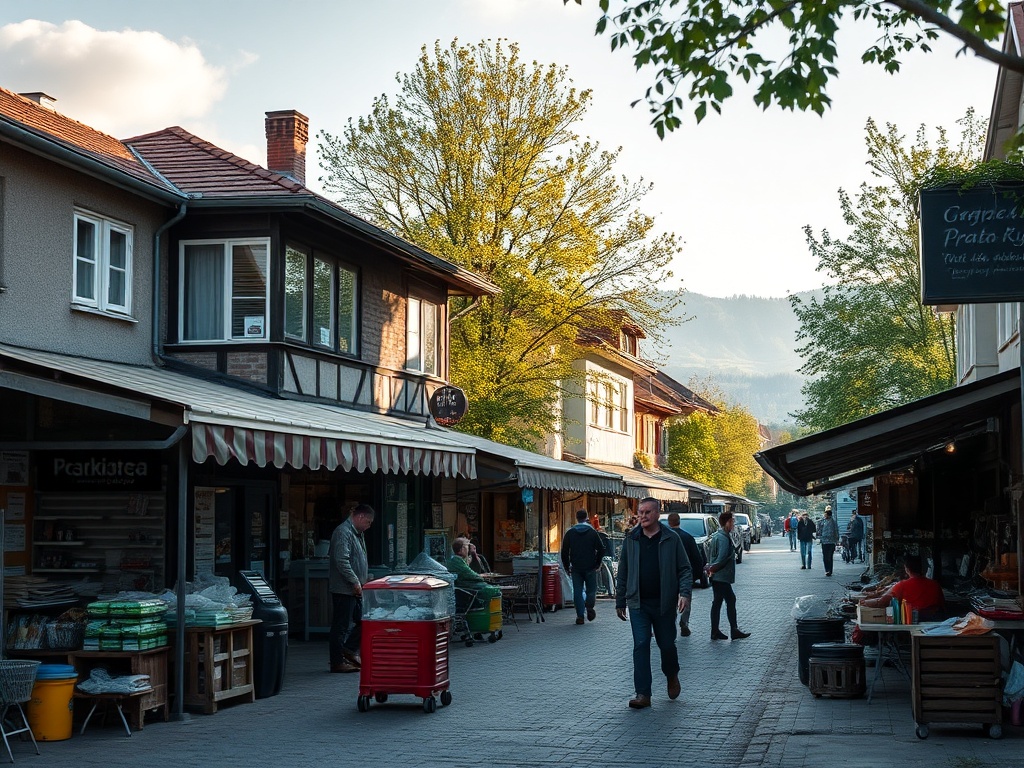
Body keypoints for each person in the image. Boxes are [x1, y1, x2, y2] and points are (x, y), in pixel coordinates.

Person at [615, 497, 692, 709]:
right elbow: (623, 571)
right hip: (638, 603)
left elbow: (685, 568)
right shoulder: (632, 539)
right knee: (641, 644)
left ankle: (671, 674)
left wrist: (684, 593)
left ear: (658, 514)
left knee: (666, 644)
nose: (643, 516)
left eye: (647, 512)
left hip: (664, 603)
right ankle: (643, 693)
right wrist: (620, 600)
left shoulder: (671, 538)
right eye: (640, 512)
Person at [328, 504, 375, 673]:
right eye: (368, 522)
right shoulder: (343, 532)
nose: (368, 526)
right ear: (360, 517)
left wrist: (363, 578)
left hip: (355, 588)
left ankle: (348, 650)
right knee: (341, 626)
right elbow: (342, 560)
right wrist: (355, 581)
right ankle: (337, 661)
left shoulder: (357, 533)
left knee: (364, 620)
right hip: (344, 588)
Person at [705, 511, 751, 641]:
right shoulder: (723, 538)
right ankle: (733, 630)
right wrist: (713, 568)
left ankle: (715, 631)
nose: (734, 524)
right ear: (727, 522)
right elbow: (722, 557)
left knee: (718, 602)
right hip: (721, 576)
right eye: (732, 521)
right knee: (730, 600)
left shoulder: (719, 535)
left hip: (717, 576)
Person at [858, 555, 945, 620]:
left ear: (907, 569)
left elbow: (882, 602)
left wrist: (864, 602)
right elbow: (942, 605)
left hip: (910, 621)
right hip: (934, 622)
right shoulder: (935, 584)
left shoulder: (902, 585)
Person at [561, 509, 607, 625]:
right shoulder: (592, 532)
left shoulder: (570, 533)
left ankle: (580, 616)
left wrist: (566, 566)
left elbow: (564, 552)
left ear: (576, 518)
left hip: (576, 567)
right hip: (590, 566)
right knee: (591, 590)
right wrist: (597, 563)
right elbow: (601, 549)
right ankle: (589, 606)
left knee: (577, 591)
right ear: (586, 517)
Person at [667, 512, 705, 637]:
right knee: (686, 598)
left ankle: (670, 624)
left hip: (669, 575)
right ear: (679, 521)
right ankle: (684, 622)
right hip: (685, 574)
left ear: (669, 522)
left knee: (670, 601)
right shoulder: (687, 537)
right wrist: (697, 575)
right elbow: (697, 558)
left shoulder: (665, 537)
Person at [447, 537, 501, 610]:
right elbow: (471, 574)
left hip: (465, 587)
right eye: (467, 546)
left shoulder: (459, 560)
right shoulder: (457, 561)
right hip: (466, 589)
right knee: (492, 590)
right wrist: (482, 577)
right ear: (461, 549)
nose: (468, 549)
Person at [818, 506, 839, 576]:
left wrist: (837, 540)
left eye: (826, 515)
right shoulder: (822, 521)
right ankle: (826, 570)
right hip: (824, 541)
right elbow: (819, 530)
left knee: (830, 556)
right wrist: (819, 537)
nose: (825, 516)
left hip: (831, 542)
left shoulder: (833, 522)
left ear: (829, 515)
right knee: (825, 556)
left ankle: (830, 570)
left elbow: (836, 530)